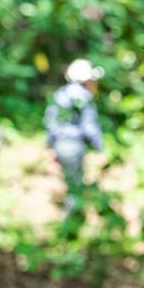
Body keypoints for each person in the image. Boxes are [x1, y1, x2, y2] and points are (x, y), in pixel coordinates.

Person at [44, 58, 105, 219]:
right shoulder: (83, 97)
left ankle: (72, 220)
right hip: (74, 147)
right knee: (75, 186)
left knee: (70, 182)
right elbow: (89, 126)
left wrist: (50, 147)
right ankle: (71, 222)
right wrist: (99, 148)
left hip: (60, 145)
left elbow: (50, 122)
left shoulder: (60, 94)